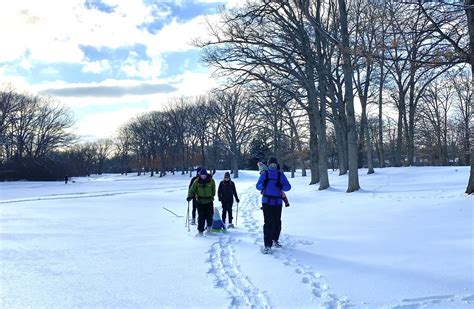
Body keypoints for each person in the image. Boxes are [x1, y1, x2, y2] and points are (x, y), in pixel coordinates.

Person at [256, 157, 291, 254]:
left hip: (278, 202)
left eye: (274, 165)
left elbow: (288, 187)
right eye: (271, 165)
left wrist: (281, 186)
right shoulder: (264, 174)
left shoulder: (280, 175)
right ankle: (267, 245)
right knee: (267, 223)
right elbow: (258, 186)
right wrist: (263, 184)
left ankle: (275, 239)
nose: (273, 166)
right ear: (268, 165)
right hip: (266, 201)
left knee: (277, 222)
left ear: (277, 165)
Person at [187, 168, 216, 236]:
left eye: (204, 175)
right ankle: (200, 231)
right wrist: (189, 196)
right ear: (200, 175)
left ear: (206, 174)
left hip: (209, 201)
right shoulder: (196, 181)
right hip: (200, 202)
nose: (203, 176)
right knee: (201, 217)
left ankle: (209, 229)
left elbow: (213, 190)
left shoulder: (211, 181)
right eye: (202, 175)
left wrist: (211, 195)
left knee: (209, 215)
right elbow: (192, 190)